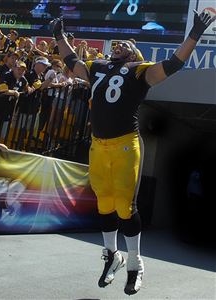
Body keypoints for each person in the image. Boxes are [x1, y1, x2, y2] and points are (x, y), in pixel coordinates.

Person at [50, 10, 215, 295]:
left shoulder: (140, 70)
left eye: (126, 44)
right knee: (104, 203)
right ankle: (112, 256)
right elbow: (70, 61)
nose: (120, 44)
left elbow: (174, 63)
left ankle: (136, 264)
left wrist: (194, 34)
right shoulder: (97, 66)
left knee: (125, 205)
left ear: (135, 54)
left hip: (125, 143)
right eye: (118, 43)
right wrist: (58, 36)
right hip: (98, 145)